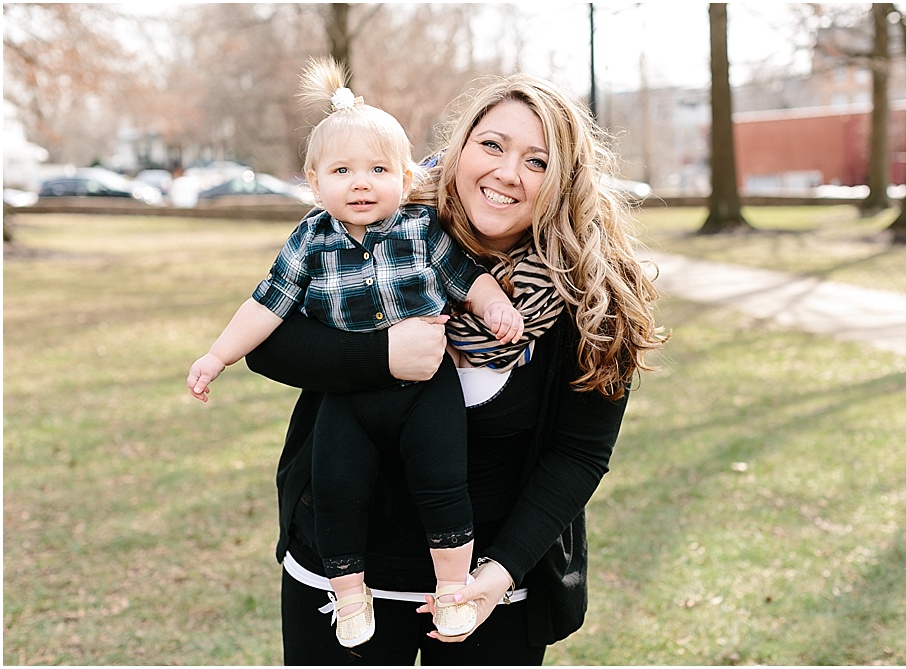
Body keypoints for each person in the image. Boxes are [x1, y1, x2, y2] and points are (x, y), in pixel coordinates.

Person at [245, 70, 666, 665]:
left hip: (490, 582)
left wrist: (501, 573)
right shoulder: (385, 228)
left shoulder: (594, 294)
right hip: (345, 574)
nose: (507, 173)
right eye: (491, 145)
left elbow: (579, 453)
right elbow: (267, 341)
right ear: (461, 146)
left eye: (537, 161)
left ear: (564, 181)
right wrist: (382, 355)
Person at [186, 58, 526, 648]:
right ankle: (348, 594)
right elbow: (267, 307)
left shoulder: (423, 231)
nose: (361, 183)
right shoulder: (309, 241)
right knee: (337, 486)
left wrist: (494, 306)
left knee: (444, 481)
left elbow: (466, 278)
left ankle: (451, 588)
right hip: (350, 399)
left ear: (405, 177)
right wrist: (217, 356)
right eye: (342, 171)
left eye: (377, 169)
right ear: (314, 184)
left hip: (428, 393)